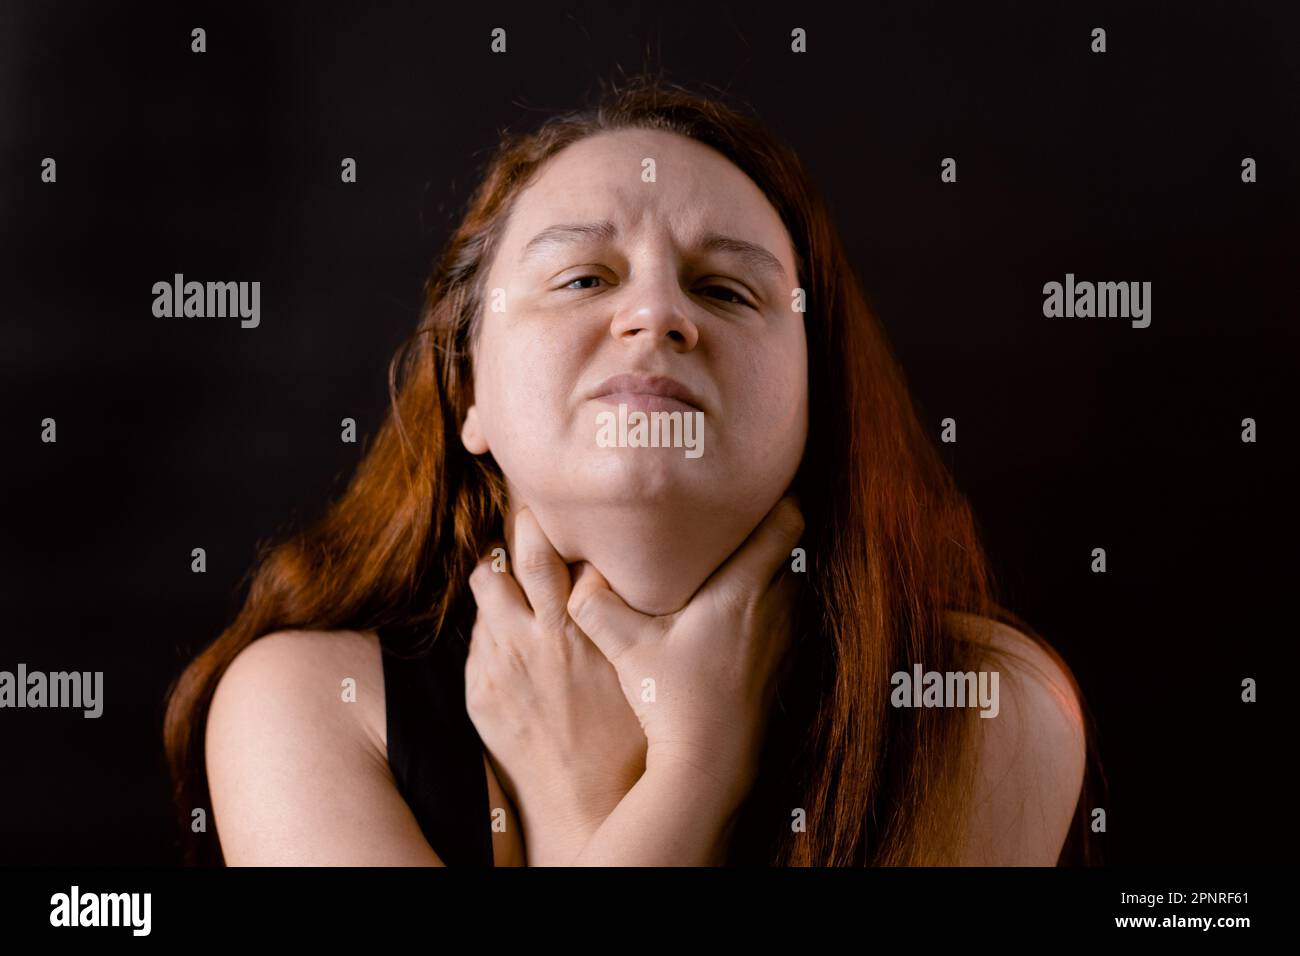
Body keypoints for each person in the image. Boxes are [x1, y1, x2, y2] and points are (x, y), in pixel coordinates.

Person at [163, 74, 1102, 867]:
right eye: (583, 278)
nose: (656, 317)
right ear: (466, 389)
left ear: (821, 393)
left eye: (727, 289)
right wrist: (693, 777)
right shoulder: (302, 705)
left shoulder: (976, 705)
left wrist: (590, 807)